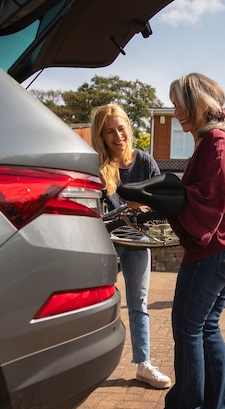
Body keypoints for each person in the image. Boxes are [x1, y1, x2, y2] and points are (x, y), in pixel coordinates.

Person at [148, 73, 225, 409]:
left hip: (218, 248)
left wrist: (163, 195)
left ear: (198, 104)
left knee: (187, 326)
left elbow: (208, 199)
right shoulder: (213, 143)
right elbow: (201, 195)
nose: (175, 111)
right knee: (205, 327)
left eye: (180, 104)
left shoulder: (217, 144)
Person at [90, 103, 171, 390]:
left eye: (121, 128)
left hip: (137, 242)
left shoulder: (145, 162)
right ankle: (88, 363)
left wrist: (145, 205)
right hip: (103, 243)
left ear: (129, 128)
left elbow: (162, 204)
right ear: (101, 135)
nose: (117, 136)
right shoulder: (96, 166)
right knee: (96, 302)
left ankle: (143, 365)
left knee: (138, 303)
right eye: (109, 131)